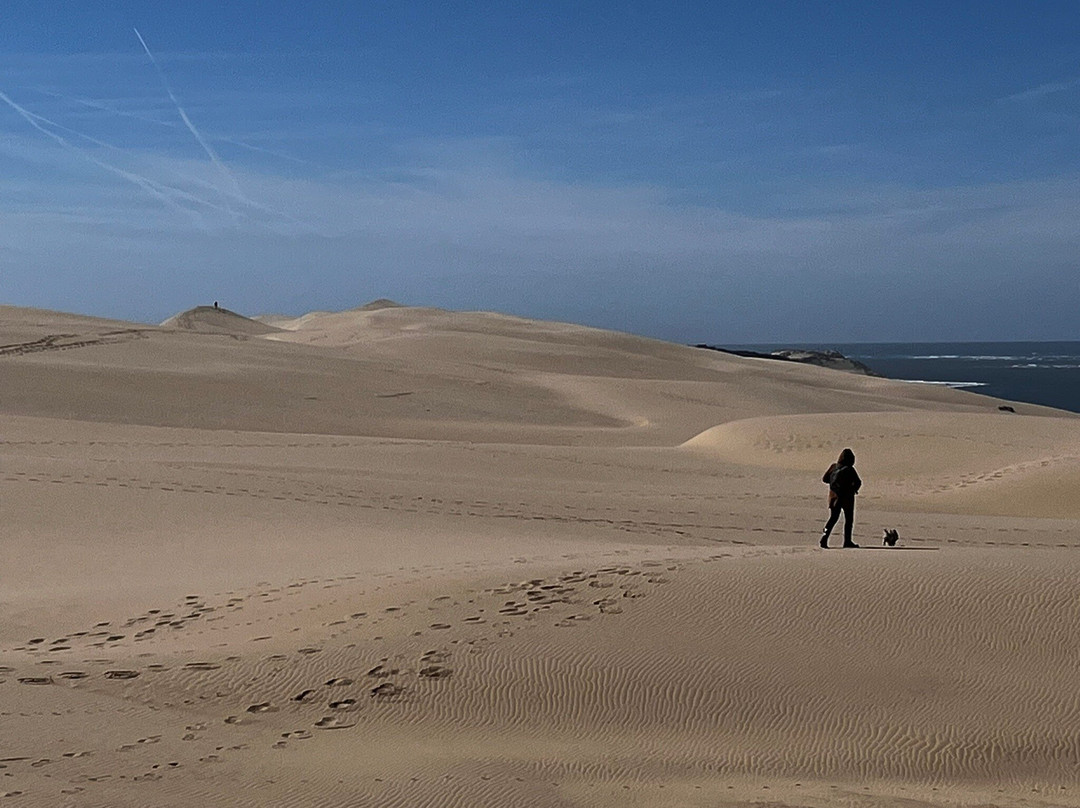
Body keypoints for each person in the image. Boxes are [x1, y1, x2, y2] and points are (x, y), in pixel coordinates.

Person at [820, 448, 861, 548]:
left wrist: (834, 486)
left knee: (832, 519)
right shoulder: (850, 469)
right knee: (848, 521)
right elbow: (858, 482)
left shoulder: (833, 467)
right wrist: (853, 489)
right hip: (847, 498)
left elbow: (825, 479)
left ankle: (824, 538)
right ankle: (847, 541)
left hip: (834, 498)